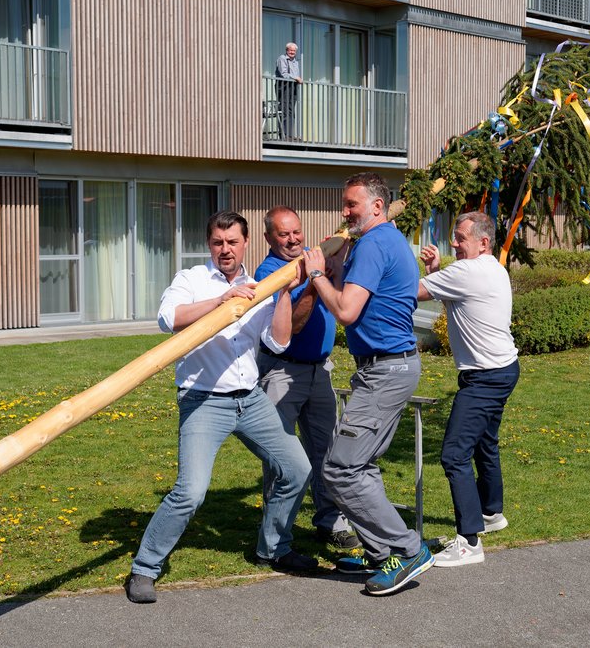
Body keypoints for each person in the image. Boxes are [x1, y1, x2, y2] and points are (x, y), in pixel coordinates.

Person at [125, 211, 316, 604]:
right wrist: (221, 300)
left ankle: (273, 549)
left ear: (246, 243)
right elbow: (168, 318)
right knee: (191, 492)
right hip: (203, 400)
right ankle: (144, 568)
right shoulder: (192, 279)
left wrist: (281, 293)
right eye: (218, 242)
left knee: (298, 468)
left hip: (250, 399)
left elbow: (278, 342)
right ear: (209, 244)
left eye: (232, 242)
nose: (225, 250)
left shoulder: (259, 285)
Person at [301, 172, 434, 596]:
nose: (344, 212)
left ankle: (406, 549)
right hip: (386, 367)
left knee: (340, 468)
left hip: (386, 371)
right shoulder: (384, 241)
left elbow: (346, 312)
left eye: (351, 205)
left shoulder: (375, 243)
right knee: (362, 465)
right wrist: (338, 268)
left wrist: (318, 274)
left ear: (377, 206)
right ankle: (383, 554)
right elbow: (359, 295)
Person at [416, 212, 519, 567]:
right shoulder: (493, 268)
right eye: (454, 237)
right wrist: (437, 271)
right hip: (504, 370)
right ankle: (492, 514)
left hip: (485, 377)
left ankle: (469, 542)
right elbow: (454, 296)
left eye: (460, 239)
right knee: (484, 444)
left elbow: (412, 293)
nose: (454, 244)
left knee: (454, 454)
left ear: (483, 242)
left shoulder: (468, 271)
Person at [254, 205, 359, 550]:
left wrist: (334, 267)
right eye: (283, 234)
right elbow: (293, 326)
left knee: (328, 450)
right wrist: (316, 281)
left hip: (319, 369)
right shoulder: (271, 271)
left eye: (296, 232)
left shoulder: (310, 260)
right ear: (269, 238)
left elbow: (340, 300)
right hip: (282, 372)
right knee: (281, 457)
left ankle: (330, 522)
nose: (292, 239)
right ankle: (277, 532)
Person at [275, 42, 302, 140]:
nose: (292, 52)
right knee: (285, 110)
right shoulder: (282, 58)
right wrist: (296, 78)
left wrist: (297, 80)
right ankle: (284, 135)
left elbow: (297, 75)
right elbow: (283, 74)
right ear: (287, 50)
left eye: (294, 51)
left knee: (291, 111)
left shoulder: (296, 62)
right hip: (284, 86)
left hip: (293, 86)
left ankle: (290, 134)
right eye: (290, 50)